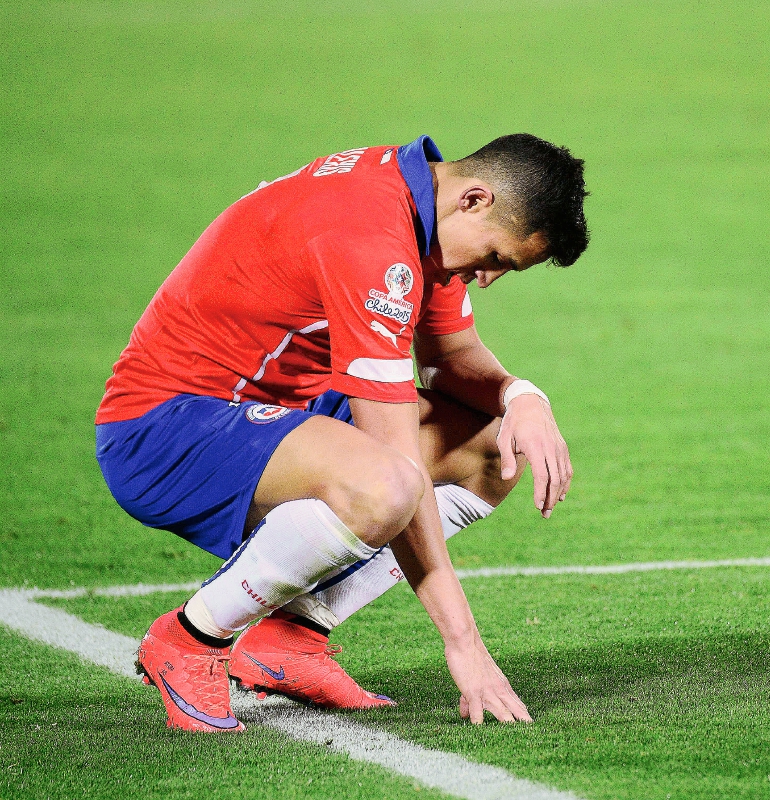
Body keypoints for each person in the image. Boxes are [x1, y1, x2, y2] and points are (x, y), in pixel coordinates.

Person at [94, 133, 588, 732]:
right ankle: (191, 638)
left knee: (490, 450)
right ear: (475, 200)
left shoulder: (419, 201)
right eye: (495, 258)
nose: (486, 278)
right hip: (166, 427)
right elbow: (397, 459)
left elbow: (452, 359)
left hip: (278, 405)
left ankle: (287, 640)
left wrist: (523, 398)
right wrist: (465, 647)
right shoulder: (372, 237)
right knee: (384, 487)